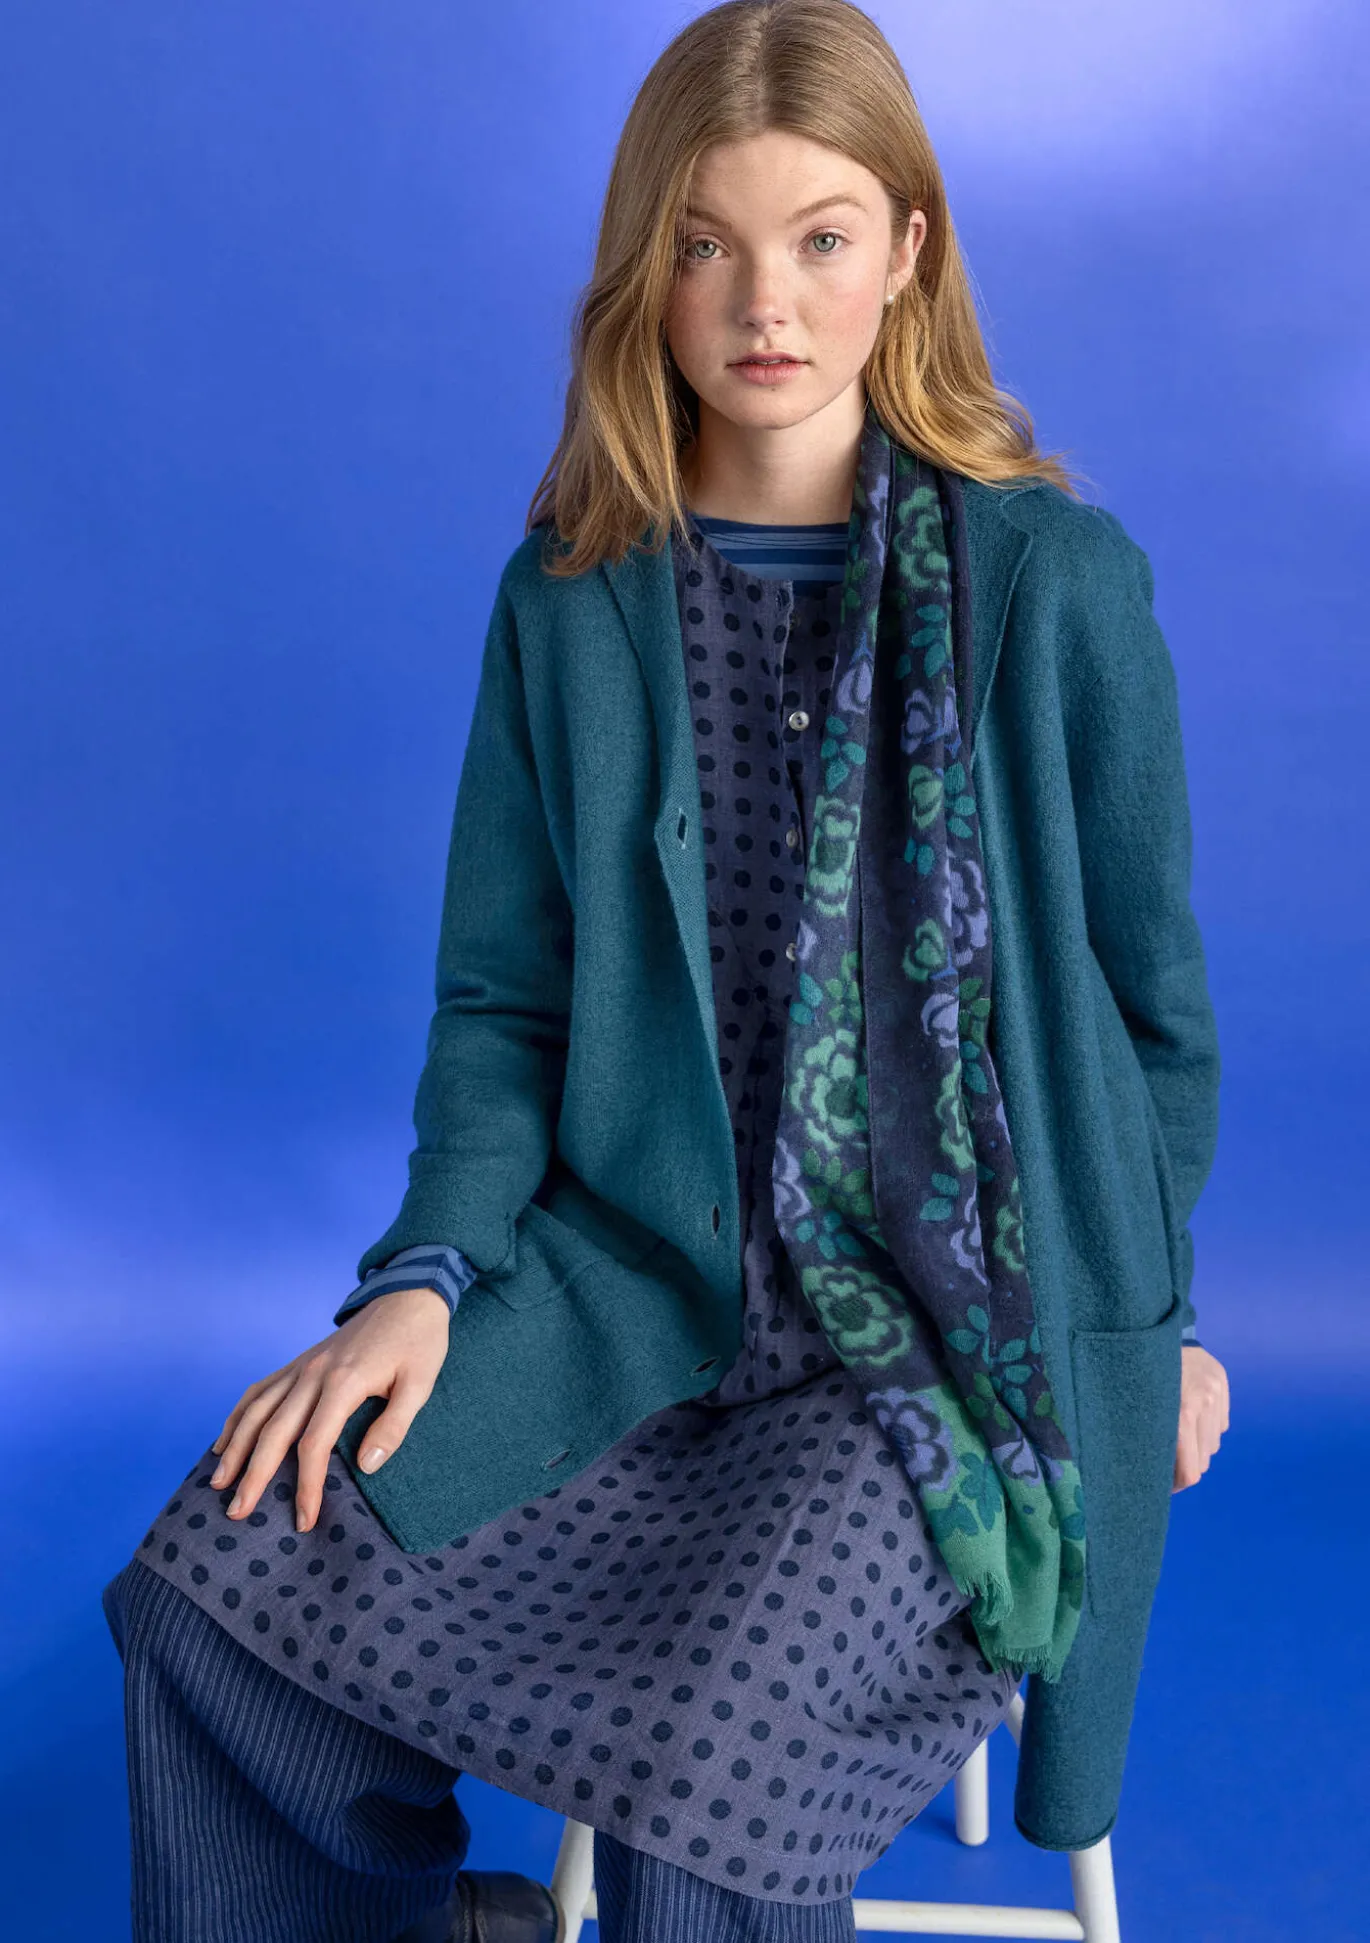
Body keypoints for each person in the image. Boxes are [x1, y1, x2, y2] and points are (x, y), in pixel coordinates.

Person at [103, 3, 1229, 1939]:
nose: (763, 301)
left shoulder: (1057, 589)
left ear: (908, 250)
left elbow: (1152, 1024)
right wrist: (424, 1277)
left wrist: (1150, 1322)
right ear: (649, 266)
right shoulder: (570, 595)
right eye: (706, 243)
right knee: (212, 1583)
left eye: (819, 238)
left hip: (937, 1353)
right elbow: (503, 1003)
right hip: (621, 1295)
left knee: (705, 1770)